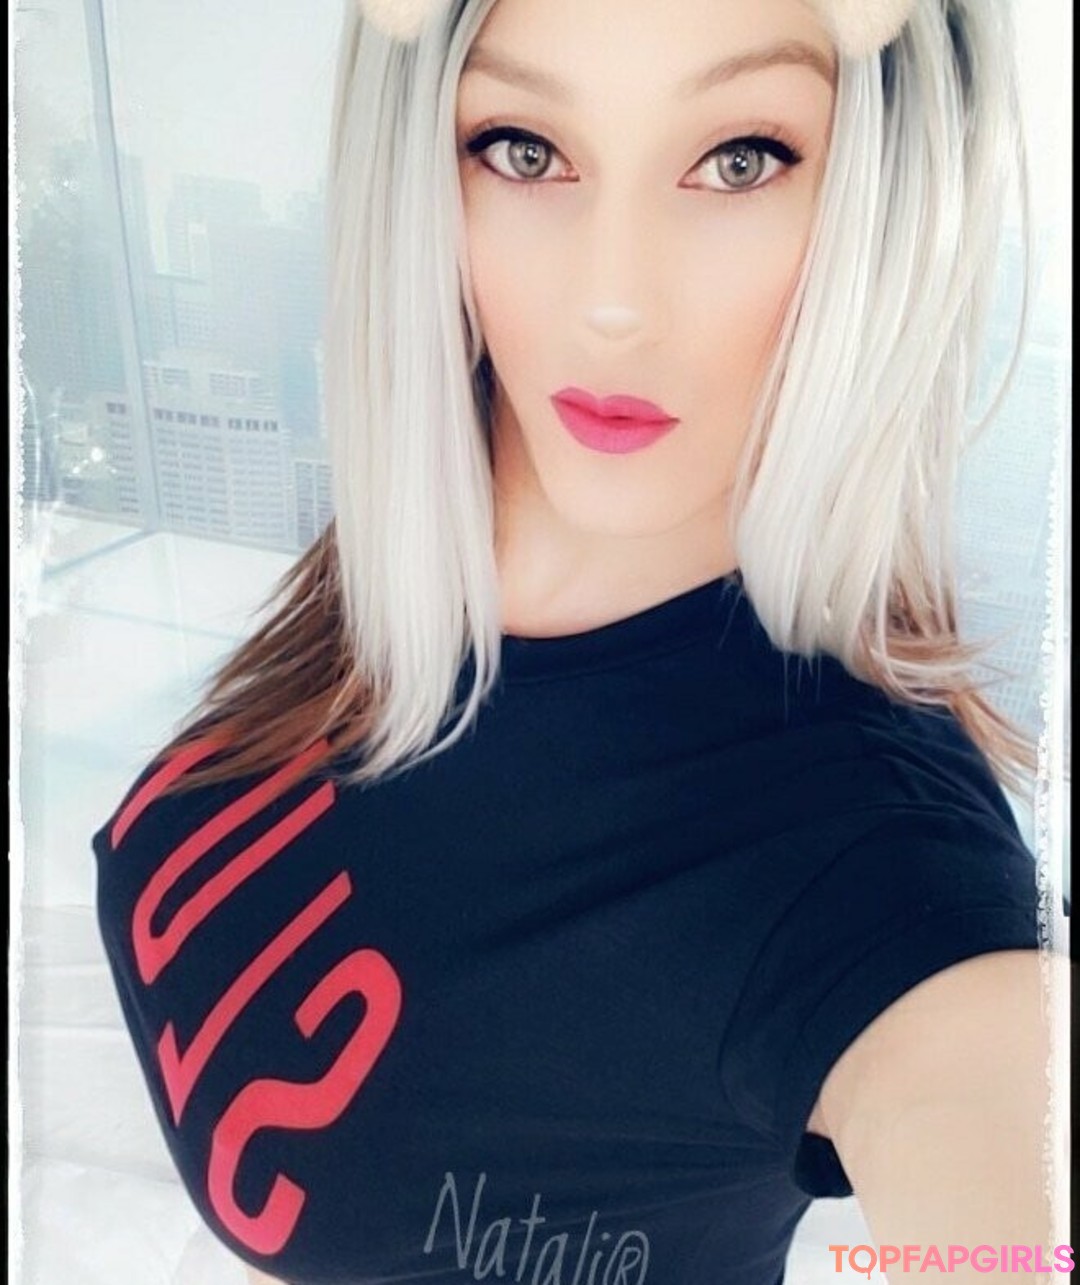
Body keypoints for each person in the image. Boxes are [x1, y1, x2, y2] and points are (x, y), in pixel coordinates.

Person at [91, 0, 1068, 1282]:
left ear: (882, 199)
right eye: (525, 149)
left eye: (742, 160)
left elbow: (988, 1124)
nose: (612, 306)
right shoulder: (411, 555)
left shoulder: (872, 870)